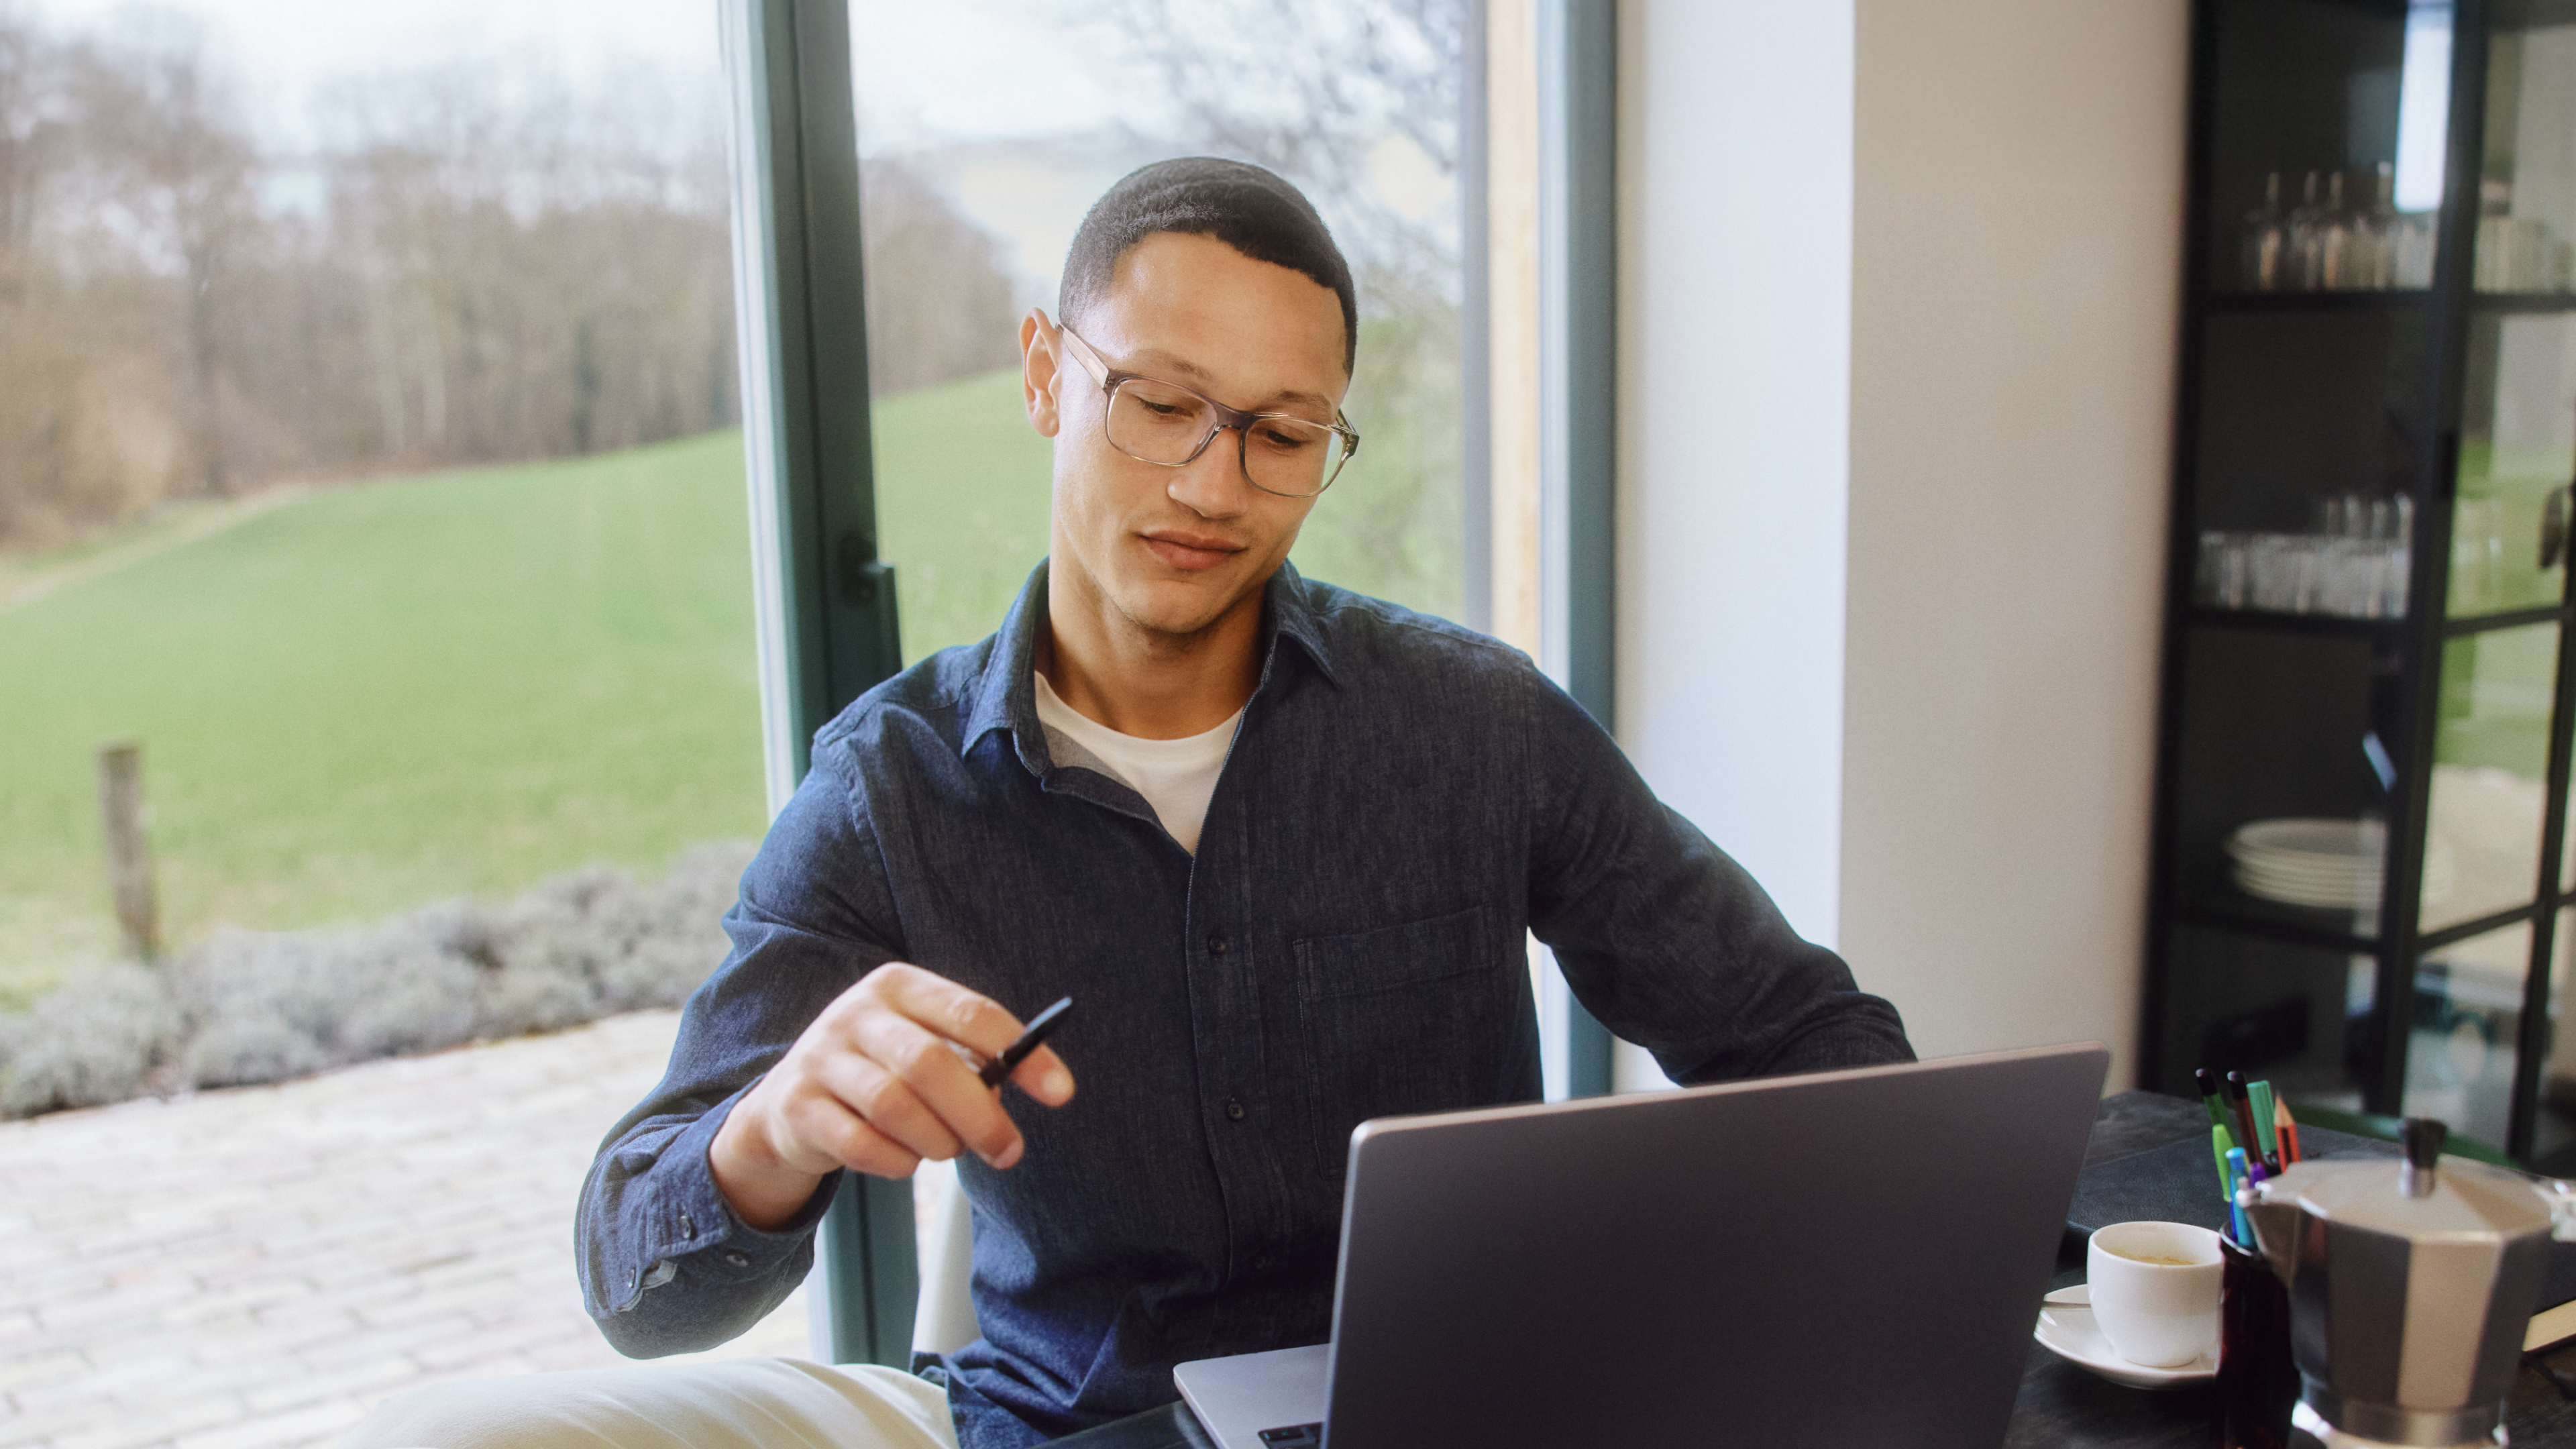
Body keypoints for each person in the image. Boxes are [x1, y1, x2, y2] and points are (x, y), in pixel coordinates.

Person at [343, 157, 1911, 1449]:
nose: (1214, 485)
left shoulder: (1476, 726)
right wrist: (772, 1128)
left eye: (1283, 435)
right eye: (1159, 404)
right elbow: (639, 1280)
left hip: (1455, 1412)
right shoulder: (890, 793)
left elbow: (1819, 1049)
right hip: (1070, 1432)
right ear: (1046, 374)